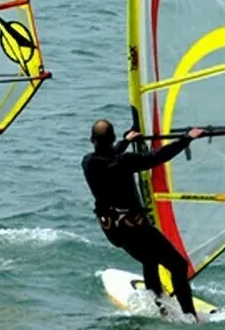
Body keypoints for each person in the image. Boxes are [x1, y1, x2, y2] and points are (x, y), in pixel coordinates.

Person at [83, 119, 206, 323]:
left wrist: (125, 141)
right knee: (178, 266)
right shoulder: (125, 161)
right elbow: (156, 157)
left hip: (113, 231)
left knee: (149, 259)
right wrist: (186, 139)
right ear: (112, 138)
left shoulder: (88, 163)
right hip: (136, 228)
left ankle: (159, 304)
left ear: (91, 140)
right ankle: (190, 317)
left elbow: (109, 155)